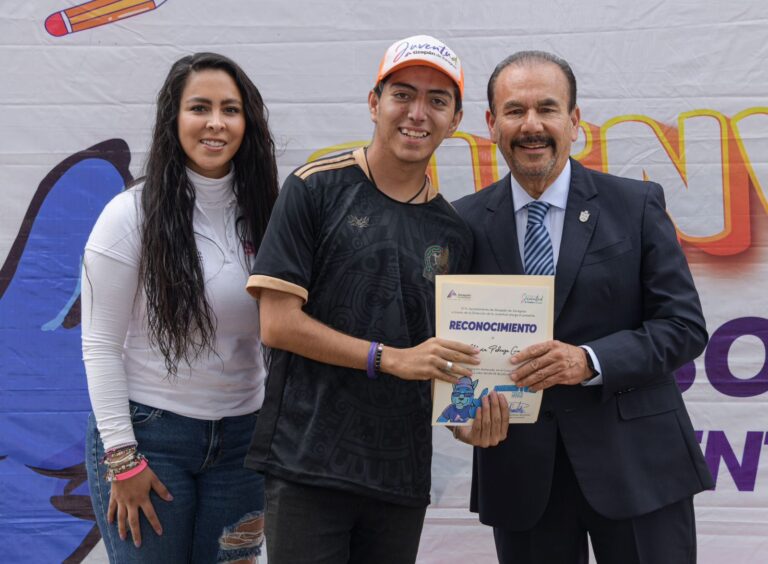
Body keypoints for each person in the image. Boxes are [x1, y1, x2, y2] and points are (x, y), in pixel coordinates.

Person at [452, 51, 714, 563]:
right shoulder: (460, 224)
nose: (531, 126)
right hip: (522, 474)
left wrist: (589, 361)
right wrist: (463, 415)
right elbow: (451, 345)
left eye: (547, 109)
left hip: (638, 466)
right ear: (491, 124)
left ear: (574, 121)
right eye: (514, 111)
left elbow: (683, 326)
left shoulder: (635, 205)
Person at [243, 35, 495, 564]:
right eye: (403, 94)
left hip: (398, 475)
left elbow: (446, 359)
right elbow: (277, 323)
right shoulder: (315, 188)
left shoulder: (454, 232)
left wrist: (467, 419)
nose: (417, 113)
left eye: (437, 101)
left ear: (456, 119)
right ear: (374, 102)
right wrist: (389, 358)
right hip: (306, 465)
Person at [82, 52, 279, 563]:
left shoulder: (270, 215)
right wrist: (122, 459)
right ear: (174, 118)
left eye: (230, 109)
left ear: (247, 123)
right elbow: (100, 344)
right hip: (151, 439)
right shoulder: (129, 216)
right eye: (199, 107)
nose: (215, 123)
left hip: (242, 447)